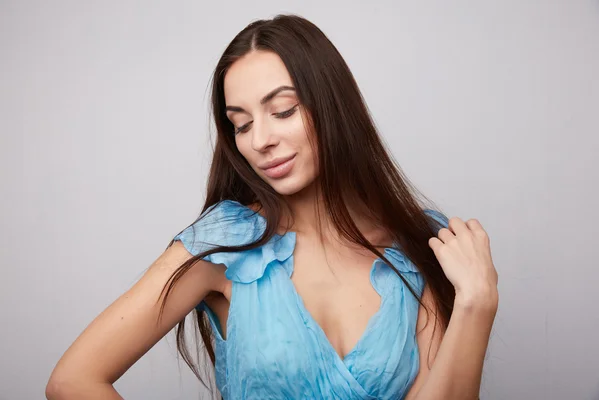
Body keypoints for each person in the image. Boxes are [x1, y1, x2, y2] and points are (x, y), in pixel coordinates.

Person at [46, 14, 498, 400]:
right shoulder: (225, 244)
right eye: (240, 124)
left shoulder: (421, 244)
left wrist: (477, 303)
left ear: (333, 106)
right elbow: (73, 381)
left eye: (282, 111)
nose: (260, 141)